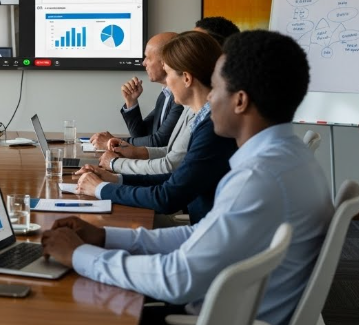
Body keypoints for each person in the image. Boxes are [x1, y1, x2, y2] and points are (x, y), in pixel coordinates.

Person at [42, 30, 333, 325]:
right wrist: (105, 236)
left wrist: (80, 255)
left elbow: (176, 278)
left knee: (65, 307)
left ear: (240, 101)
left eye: (216, 88)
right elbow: (201, 235)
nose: (209, 99)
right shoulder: (293, 159)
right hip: (232, 306)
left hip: (217, 314)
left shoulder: (257, 177)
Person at [73, 31, 237, 224]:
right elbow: (175, 178)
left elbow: (166, 197)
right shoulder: (207, 118)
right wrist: (115, 179)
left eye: (167, 73)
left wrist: (100, 188)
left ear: (186, 78)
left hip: (203, 233)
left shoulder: (214, 127)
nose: (166, 83)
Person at [90, 32, 183, 149]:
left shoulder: (181, 98)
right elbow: (141, 136)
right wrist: (131, 102)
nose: (144, 63)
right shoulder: (165, 95)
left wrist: (112, 142)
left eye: (148, 58)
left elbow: (160, 141)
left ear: (166, 61)